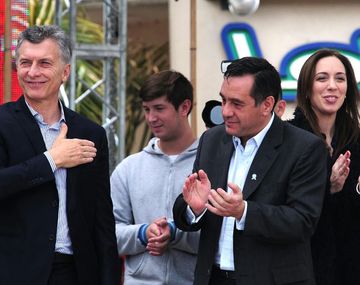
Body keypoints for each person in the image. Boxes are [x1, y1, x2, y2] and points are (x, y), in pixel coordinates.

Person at [173, 57, 328, 285]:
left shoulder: (304, 147)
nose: (225, 111)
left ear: (267, 105)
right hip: (212, 278)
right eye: (223, 100)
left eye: (237, 104)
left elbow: (302, 221)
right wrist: (195, 209)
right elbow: (187, 209)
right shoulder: (212, 140)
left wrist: (243, 212)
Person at [0, 25, 120, 285]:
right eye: (25, 63)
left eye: (44, 63)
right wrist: (50, 160)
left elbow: (102, 220)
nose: (33, 72)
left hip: (75, 273)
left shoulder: (90, 133)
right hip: (15, 272)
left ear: (65, 71)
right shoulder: (2, 122)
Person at [110, 70, 200, 284]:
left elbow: (221, 236)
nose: (151, 118)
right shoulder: (128, 169)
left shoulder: (209, 166)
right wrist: (143, 233)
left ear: (185, 107)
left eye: (159, 108)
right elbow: (107, 233)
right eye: (146, 109)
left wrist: (174, 233)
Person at [289, 48, 360, 285]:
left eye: (340, 78)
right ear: (307, 88)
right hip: (303, 270)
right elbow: (284, 214)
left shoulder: (356, 139)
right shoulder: (288, 139)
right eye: (322, 78)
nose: (332, 86)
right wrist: (327, 190)